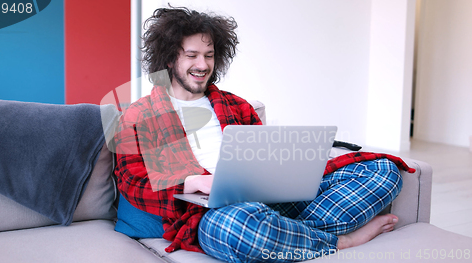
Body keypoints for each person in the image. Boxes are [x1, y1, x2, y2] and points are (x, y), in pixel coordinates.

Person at [114, 6, 413, 262]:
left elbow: (264, 159)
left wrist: (290, 167)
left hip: (266, 199)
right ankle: (339, 242)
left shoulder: (236, 105)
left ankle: (284, 233)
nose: (203, 65)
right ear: (169, 60)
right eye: (191, 55)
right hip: (211, 214)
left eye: (209, 55)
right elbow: (131, 182)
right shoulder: (140, 115)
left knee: (384, 170)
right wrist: (192, 181)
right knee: (241, 227)